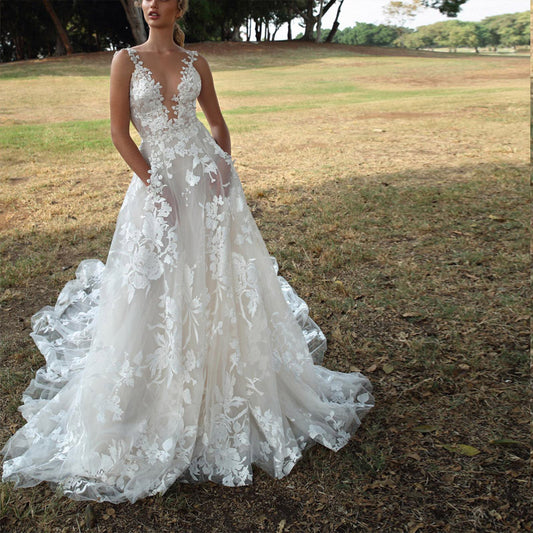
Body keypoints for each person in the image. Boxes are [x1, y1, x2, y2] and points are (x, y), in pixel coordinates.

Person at [1, 0, 374, 504]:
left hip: (209, 189)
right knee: (157, 286)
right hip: (157, 188)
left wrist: (223, 165)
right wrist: (157, 186)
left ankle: (224, 379)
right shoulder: (124, 61)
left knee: (215, 282)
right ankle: (160, 392)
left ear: (181, 6)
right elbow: (119, 132)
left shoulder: (198, 62)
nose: (152, 3)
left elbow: (217, 124)